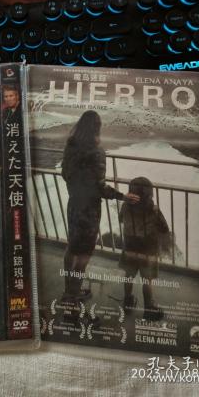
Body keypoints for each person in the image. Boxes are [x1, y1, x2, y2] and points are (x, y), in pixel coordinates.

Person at [61, 110, 139, 301]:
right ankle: (73, 295)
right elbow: (100, 187)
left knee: (72, 248)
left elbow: (65, 174)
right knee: (84, 254)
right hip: (89, 211)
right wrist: (122, 196)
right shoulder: (97, 152)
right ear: (97, 128)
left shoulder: (70, 147)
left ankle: (68, 290)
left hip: (74, 205)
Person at [118, 176, 170, 321]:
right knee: (147, 280)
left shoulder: (125, 206)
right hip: (147, 251)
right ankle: (149, 308)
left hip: (130, 249)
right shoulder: (153, 210)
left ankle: (128, 301)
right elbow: (164, 228)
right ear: (149, 194)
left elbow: (121, 219)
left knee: (129, 275)